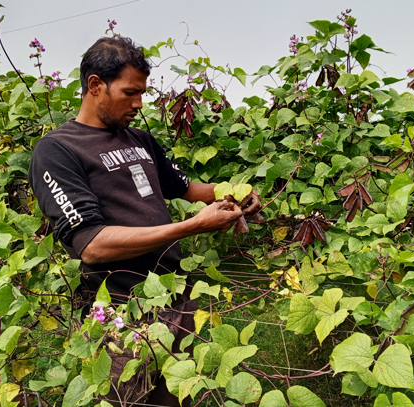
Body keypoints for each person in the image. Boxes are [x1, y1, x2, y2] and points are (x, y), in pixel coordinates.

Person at [28, 36, 261, 406]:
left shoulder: (139, 139)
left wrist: (232, 192)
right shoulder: (58, 150)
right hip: (123, 312)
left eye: (142, 93)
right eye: (130, 93)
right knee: (133, 399)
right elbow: (91, 245)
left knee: (184, 395)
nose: (139, 103)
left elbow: (186, 188)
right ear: (95, 86)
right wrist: (192, 226)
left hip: (178, 297)